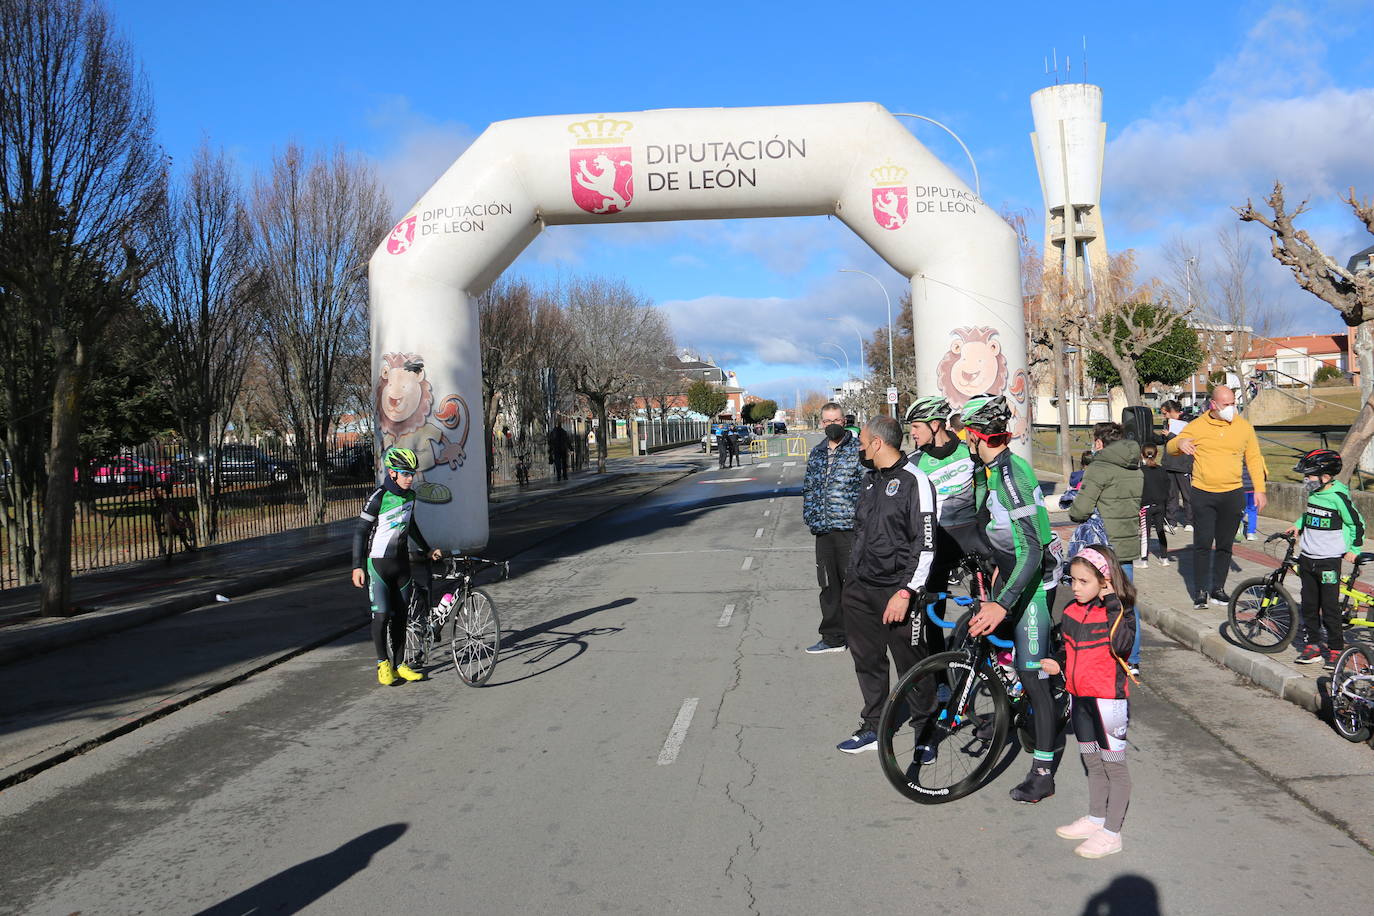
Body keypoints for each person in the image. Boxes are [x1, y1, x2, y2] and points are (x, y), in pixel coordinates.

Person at [959, 394, 1062, 803]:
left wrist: (1002, 602)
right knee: (975, 640)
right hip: (1012, 571)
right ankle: (1004, 711)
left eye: (965, 432)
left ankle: (1043, 771)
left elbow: (1033, 550)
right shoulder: (987, 469)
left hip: (1035, 582)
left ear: (974, 434)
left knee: (1031, 673)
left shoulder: (1011, 475)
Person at [835, 415, 938, 756]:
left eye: (863, 441)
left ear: (878, 443)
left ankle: (926, 732)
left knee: (912, 665)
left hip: (897, 592)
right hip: (860, 589)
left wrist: (907, 591)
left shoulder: (915, 481)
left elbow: (925, 544)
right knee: (867, 661)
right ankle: (874, 725)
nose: (860, 447)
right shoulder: (869, 480)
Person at [1041, 545, 1137, 860]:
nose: (1076, 587)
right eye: (1073, 580)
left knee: (1115, 768)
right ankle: (1097, 818)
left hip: (1108, 700)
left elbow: (1120, 645)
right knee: (1091, 761)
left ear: (1105, 580)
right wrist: (1056, 661)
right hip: (1079, 697)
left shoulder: (1119, 611)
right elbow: (1066, 649)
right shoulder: (1070, 611)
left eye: (1084, 582)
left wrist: (1111, 600)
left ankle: (1112, 834)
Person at [1166, 385, 1268, 610]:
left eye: (1233, 403)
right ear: (1213, 404)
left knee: (1225, 545)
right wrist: (1180, 443)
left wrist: (1260, 489)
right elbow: (1171, 447)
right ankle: (1200, 591)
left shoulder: (1243, 427)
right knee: (1203, 544)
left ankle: (1218, 590)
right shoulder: (1198, 425)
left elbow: (1253, 458)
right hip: (1203, 493)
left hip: (1232, 494)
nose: (1232, 408)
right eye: (1227, 404)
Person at [351, 447, 444, 686]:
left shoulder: (410, 497)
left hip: (402, 565)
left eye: (412, 473)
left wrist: (427, 549)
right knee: (382, 616)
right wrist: (357, 566)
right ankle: (383, 664)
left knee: (402, 616)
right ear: (392, 473)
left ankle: (400, 664)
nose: (410, 478)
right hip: (378, 566)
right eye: (405, 473)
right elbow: (361, 531)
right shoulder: (379, 497)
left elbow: (411, 526)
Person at [906, 394, 987, 653]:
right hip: (936, 540)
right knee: (931, 610)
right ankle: (940, 676)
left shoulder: (969, 452)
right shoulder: (915, 462)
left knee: (985, 603)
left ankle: (987, 660)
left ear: (935, 424)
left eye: (916, 427)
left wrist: (983, 524)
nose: (912, 434)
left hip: (970, 536)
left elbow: (983, 488)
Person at [1286, 449, 1366, 668]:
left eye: (1309, 476)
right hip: (1307, 557)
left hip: (1328, 560)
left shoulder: (1338, 497)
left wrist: (1354, 549)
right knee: (1309, 606)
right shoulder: (1315, 494)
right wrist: (1298, 524)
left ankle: (1335, 648)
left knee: (1330, 607)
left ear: (1325, 476)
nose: (1306, 480)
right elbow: (1310, 514)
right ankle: (1312, 646)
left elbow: (1357, 524)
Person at [801, 402, 864, 654]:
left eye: (835, 421)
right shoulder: (816, 452)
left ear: (844, 421)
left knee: (854, 585)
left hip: (849, 529)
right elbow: (808, 488)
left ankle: (861, 637)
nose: (831, 426)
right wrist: (810, 516)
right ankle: (833, 638)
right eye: (827, 422)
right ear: (821, 423)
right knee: (828, 586)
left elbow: (867, 486)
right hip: (823, 529)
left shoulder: (858, 450)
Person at [1159, 400, 1193, 531]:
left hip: (1183, 463)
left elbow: (1188, 440)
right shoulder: (1166, 423)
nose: (1164, 416)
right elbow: (1164, 440)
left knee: (1187, 494)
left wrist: (1171, 435)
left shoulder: (1188, 421)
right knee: (1171, 494)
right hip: (1169, 463)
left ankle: (1190, 521)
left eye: (1165, 413)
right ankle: (1171, 521)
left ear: (1172, 410)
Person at [1139, 445, 1171, 568]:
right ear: (1157, 454)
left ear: (1142, 455)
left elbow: (1138, 490)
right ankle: (1164, 558)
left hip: (1145, 506)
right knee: (1160, 530)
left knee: (1145, 533)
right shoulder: (1162, 470)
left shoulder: (1140, 471)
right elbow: (1168, 487)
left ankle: (1144, 560)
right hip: (1160, 505)